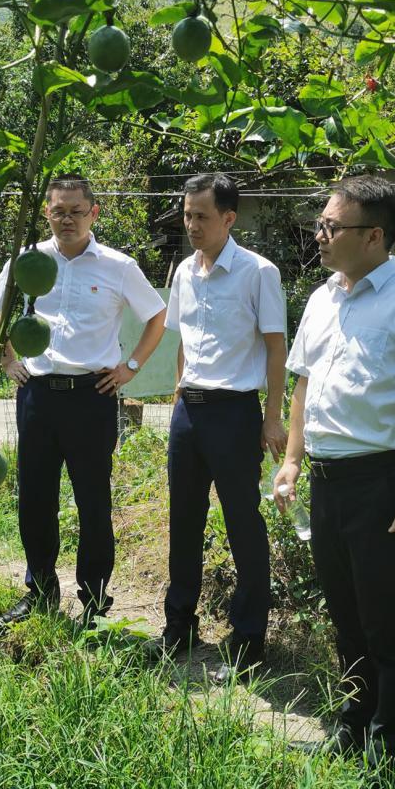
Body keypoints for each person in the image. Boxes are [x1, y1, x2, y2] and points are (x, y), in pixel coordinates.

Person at [274, 175, 395, 786]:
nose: (319, 236)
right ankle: (354, 728)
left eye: (332, 227)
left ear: (374, 236)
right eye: (320, 225)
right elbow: (303, 384)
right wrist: (293, 461)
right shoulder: (323, 297)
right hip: (326, 482)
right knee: (348, 619)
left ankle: (388, 756)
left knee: (389, 627)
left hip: (384, 484)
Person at [0, 173, 166, 628]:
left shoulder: (118, 266)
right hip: (38, 395)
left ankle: (95, 603)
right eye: (58, 210)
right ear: (47, 212)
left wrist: (132, 368)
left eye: (76, 211)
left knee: (93, 501)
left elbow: (157, 316)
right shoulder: (27, 261)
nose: (67, 219)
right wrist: (8, 361)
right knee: (35, 499)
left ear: (93, 214)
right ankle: (40, 592)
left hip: (92, 397)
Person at [149, 173, 287, 684]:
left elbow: (276, 348)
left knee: (242, 524)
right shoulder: (185, 270)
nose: (192, 226)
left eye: (202, 216)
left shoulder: (258, 273)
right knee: (183, 519)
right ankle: (179, 625)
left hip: (235, 412)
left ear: (229, 218)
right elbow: (184, 337)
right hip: (190, 411)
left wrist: (272, 418)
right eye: (187, 216)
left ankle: (249, 637)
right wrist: (180, 389)